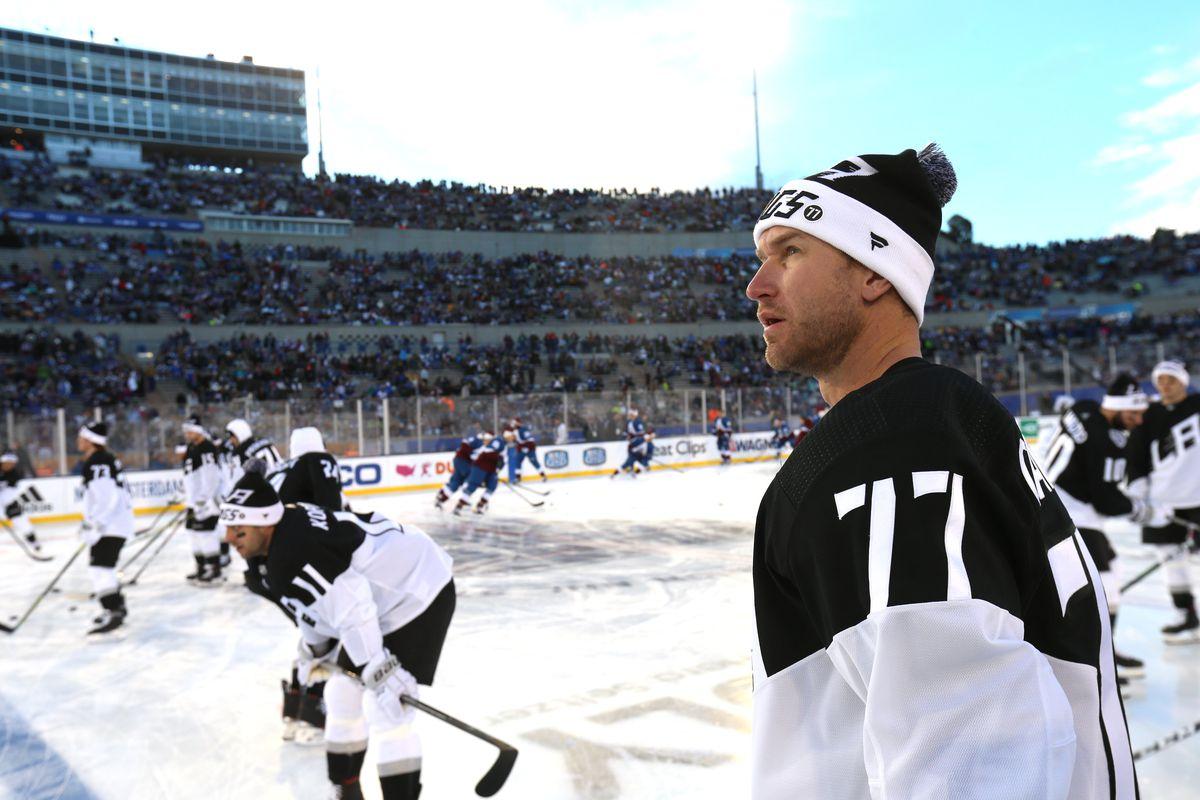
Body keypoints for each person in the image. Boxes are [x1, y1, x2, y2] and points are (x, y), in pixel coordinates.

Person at [746, 144, 1136, 798]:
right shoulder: (926, 425)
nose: (756, 285)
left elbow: (974, 765)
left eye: (790, 253)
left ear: (874, 273)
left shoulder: (892, 443)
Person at [221, 473, 455, 800]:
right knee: (341, 695)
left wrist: (379, 669)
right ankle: (346, 792)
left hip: (417, 590)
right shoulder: (276, 547)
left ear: (264, 523)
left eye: (238, 529)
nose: (229, 537)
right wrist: (315, 649)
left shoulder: (293, 551)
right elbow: (315, 605)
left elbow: (353, 606)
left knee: (387, 707)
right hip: (383, 597)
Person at [1041, 374, 1161, 679]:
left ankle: (1102, 652)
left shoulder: (1083, 408)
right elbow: (1106, 501)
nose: (1137, 421)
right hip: (1070, 512)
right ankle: (1095, 663)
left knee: (1111, 571)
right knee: (1103, 583)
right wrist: (1142, 511)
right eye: (1133, 414)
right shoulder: (1108, 442)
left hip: (1048, 499)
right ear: (1118, 408)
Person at [1127, 359, 1200, 643]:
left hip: (1198, 498)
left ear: (1183, 381)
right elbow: (1136, 454)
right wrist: (1139, 489)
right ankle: (1186, 614)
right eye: (1160, 379)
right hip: (1164, 501)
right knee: (1171, 561)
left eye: (1170, 379)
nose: (1164, 385)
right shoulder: (1148, 415)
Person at [77, 422, 133, 636]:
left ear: (91, 440)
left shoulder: (98, 461)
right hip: (112, 524)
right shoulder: (102, 460)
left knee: (100, 568)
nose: (78, 441)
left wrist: (95, 524)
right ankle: (116, 607)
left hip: (111, 525)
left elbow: (107, 498)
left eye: (82, 437)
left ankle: (113, 611)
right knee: (102, 568)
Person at [181, 415, 223, 586]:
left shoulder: (206, 448)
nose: (187, 433)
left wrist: (203, 499)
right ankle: (201, 567)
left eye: (190, 430)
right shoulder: (191, 447)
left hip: (205, 502)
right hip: (193, 501)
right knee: (192, 533)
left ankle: (214, 569)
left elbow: (211, 476)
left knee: (206, 534)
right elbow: (190, 476)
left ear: (198, 430)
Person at [1, 451, 44, 556]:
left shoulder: (15, 474)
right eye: (7, 462)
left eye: (12, 463)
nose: (10, 465)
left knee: (23, 523)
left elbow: (8, 493)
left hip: (9, 502)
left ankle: (34, 542)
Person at [508, 416, 547, 483]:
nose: (514, 424)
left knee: (534, 461)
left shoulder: (523, 429)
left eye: (515, 422)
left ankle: (543, 476)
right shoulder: (513, 430)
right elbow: (515, 440)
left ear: (519, 423)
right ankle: (518, 478)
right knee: (517, 462)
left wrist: (527, 447)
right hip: (521, 449)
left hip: (529, 448)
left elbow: (530, 440)